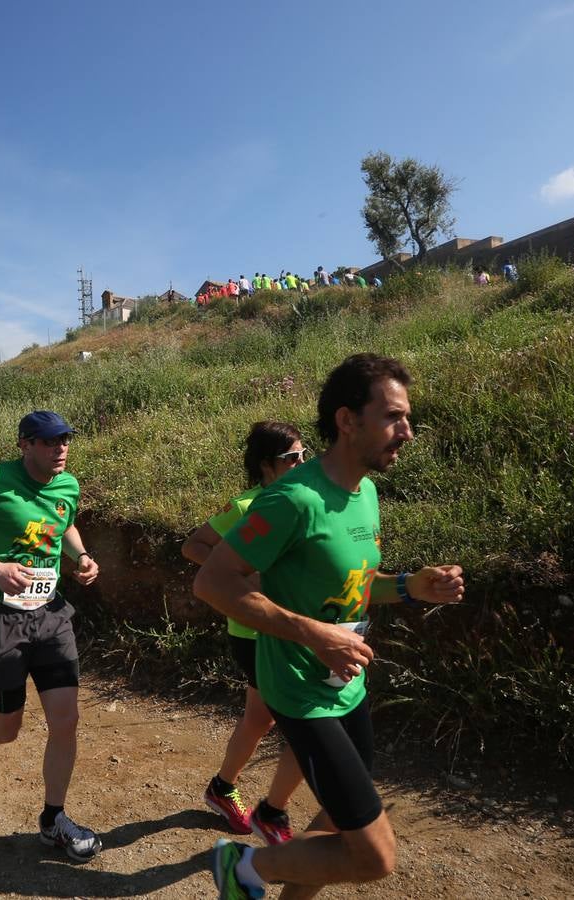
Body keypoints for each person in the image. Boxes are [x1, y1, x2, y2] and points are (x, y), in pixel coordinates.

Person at [195, 353, 465, 899]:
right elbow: (213, 582)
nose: (407, 432)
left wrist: (410, 586)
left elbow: (356, 589)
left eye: (406, 418)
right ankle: (244, 868)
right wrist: (312, 633)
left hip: (347, 687)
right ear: (347, 420)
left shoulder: (365, 491)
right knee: (375, 854)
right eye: (392, 417)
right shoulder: (293, 498)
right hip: (299, 693)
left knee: (338, 825)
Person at [0, 410, 102, 863]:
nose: (60, 448)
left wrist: (82, 556)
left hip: (50, 613)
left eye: (65, 439)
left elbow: (64, 523)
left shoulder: (68, 485)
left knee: (65, 720)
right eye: (49, 442)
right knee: (6, 728)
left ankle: (53, 820)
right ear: (25, 445)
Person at [182, 422, 309, 846]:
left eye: (304, 455)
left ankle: (223, 788)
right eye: (292, 458)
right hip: (254, 630)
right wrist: (245, 578)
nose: (302, 463)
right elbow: (194, 546)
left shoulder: (304, 501)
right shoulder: (247, 506)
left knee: (261, 716)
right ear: (266, 465)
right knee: (303, 722)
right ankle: (274, 814)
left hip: (291, 627)